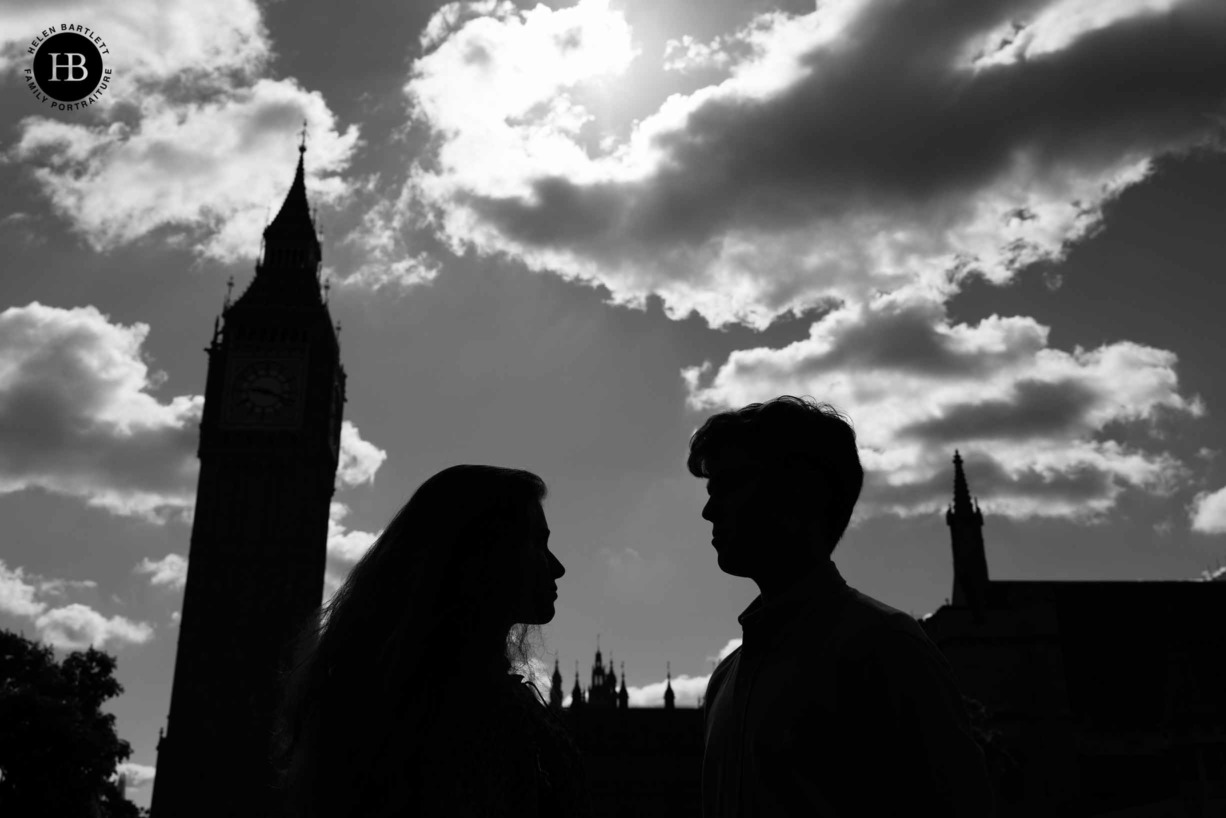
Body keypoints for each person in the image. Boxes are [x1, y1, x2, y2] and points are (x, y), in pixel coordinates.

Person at [689, 396, 995, 817]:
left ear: (798, 494)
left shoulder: (887, 648)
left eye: (729, 486)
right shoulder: (726, 677)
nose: (708, 510)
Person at [270, 464, 591, 818]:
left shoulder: (392, 693)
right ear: (483, 554)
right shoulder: (466, 709)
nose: (557, 566)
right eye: (537, 543)